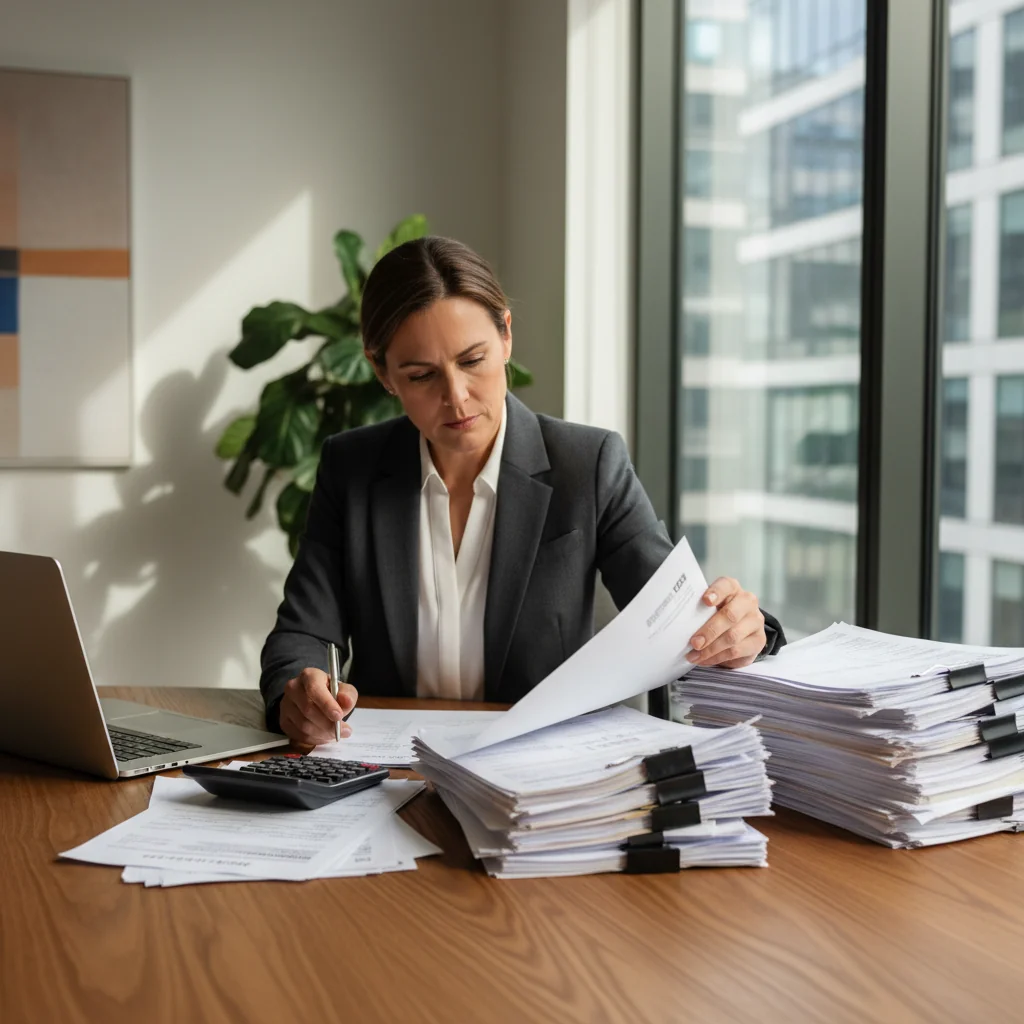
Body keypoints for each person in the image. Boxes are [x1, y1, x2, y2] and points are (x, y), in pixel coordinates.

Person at [260, 236, 785, 743]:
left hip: (537, 772)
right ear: (382, 372)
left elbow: (678, 625)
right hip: (389, 770)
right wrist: (301, 693)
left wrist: (742, 631)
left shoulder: (588, 464)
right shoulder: (351, 467)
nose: (456, 397)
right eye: (421, 376)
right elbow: (303, 633)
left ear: (506, 336)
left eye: (472, 361)